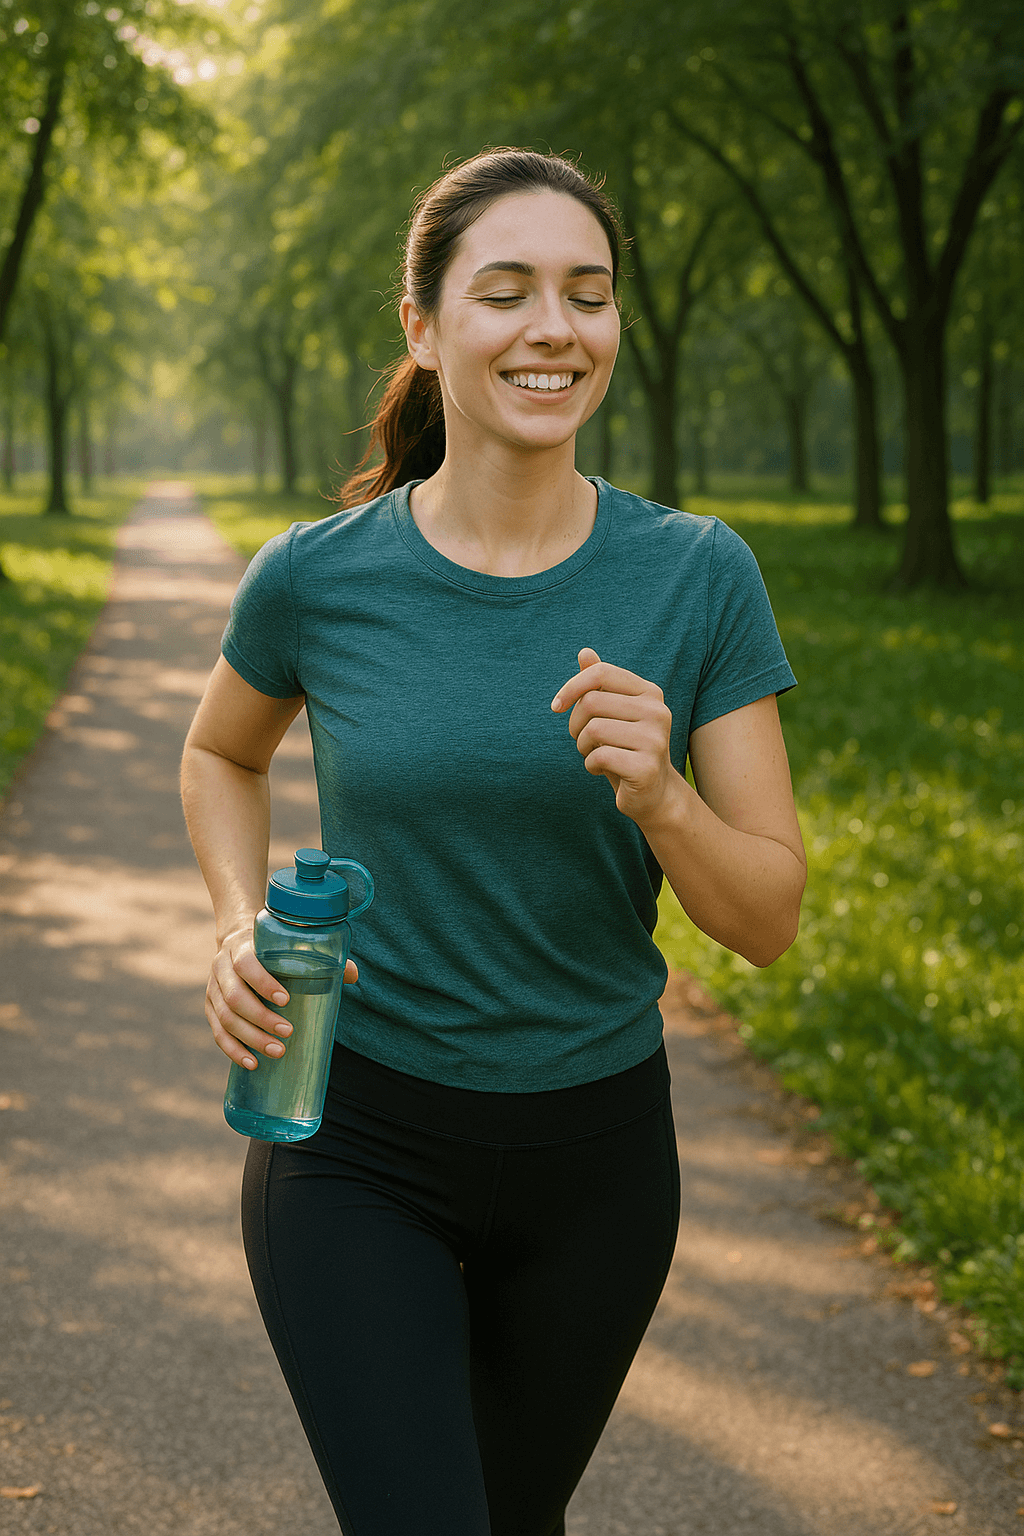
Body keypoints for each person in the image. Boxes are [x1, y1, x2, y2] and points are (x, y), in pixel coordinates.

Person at [180, 147, 806, 1536]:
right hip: (355, 1140)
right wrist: (235, 923)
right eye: (507, 291)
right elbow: (222, 749)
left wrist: (666, 802)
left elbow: (766, 917)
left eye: (587, 295)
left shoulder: (699, 575)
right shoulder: (318, 575)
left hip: (599, 1166)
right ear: (425, 325)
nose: (552, 329)